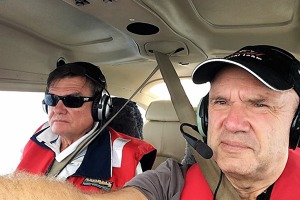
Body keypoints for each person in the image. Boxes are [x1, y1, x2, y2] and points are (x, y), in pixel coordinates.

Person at [1, 45, 300, 200]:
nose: (233, 123)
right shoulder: (170, 181)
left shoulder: (125, 152)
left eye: (260, 104)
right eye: (220, 102)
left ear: (296, 123)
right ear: (205, 117)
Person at [15, 62, 156, 193]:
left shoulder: (127, 157)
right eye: (52, 99)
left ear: (99, 107)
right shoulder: (39, 137)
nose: (58, 109)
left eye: (73, 100)